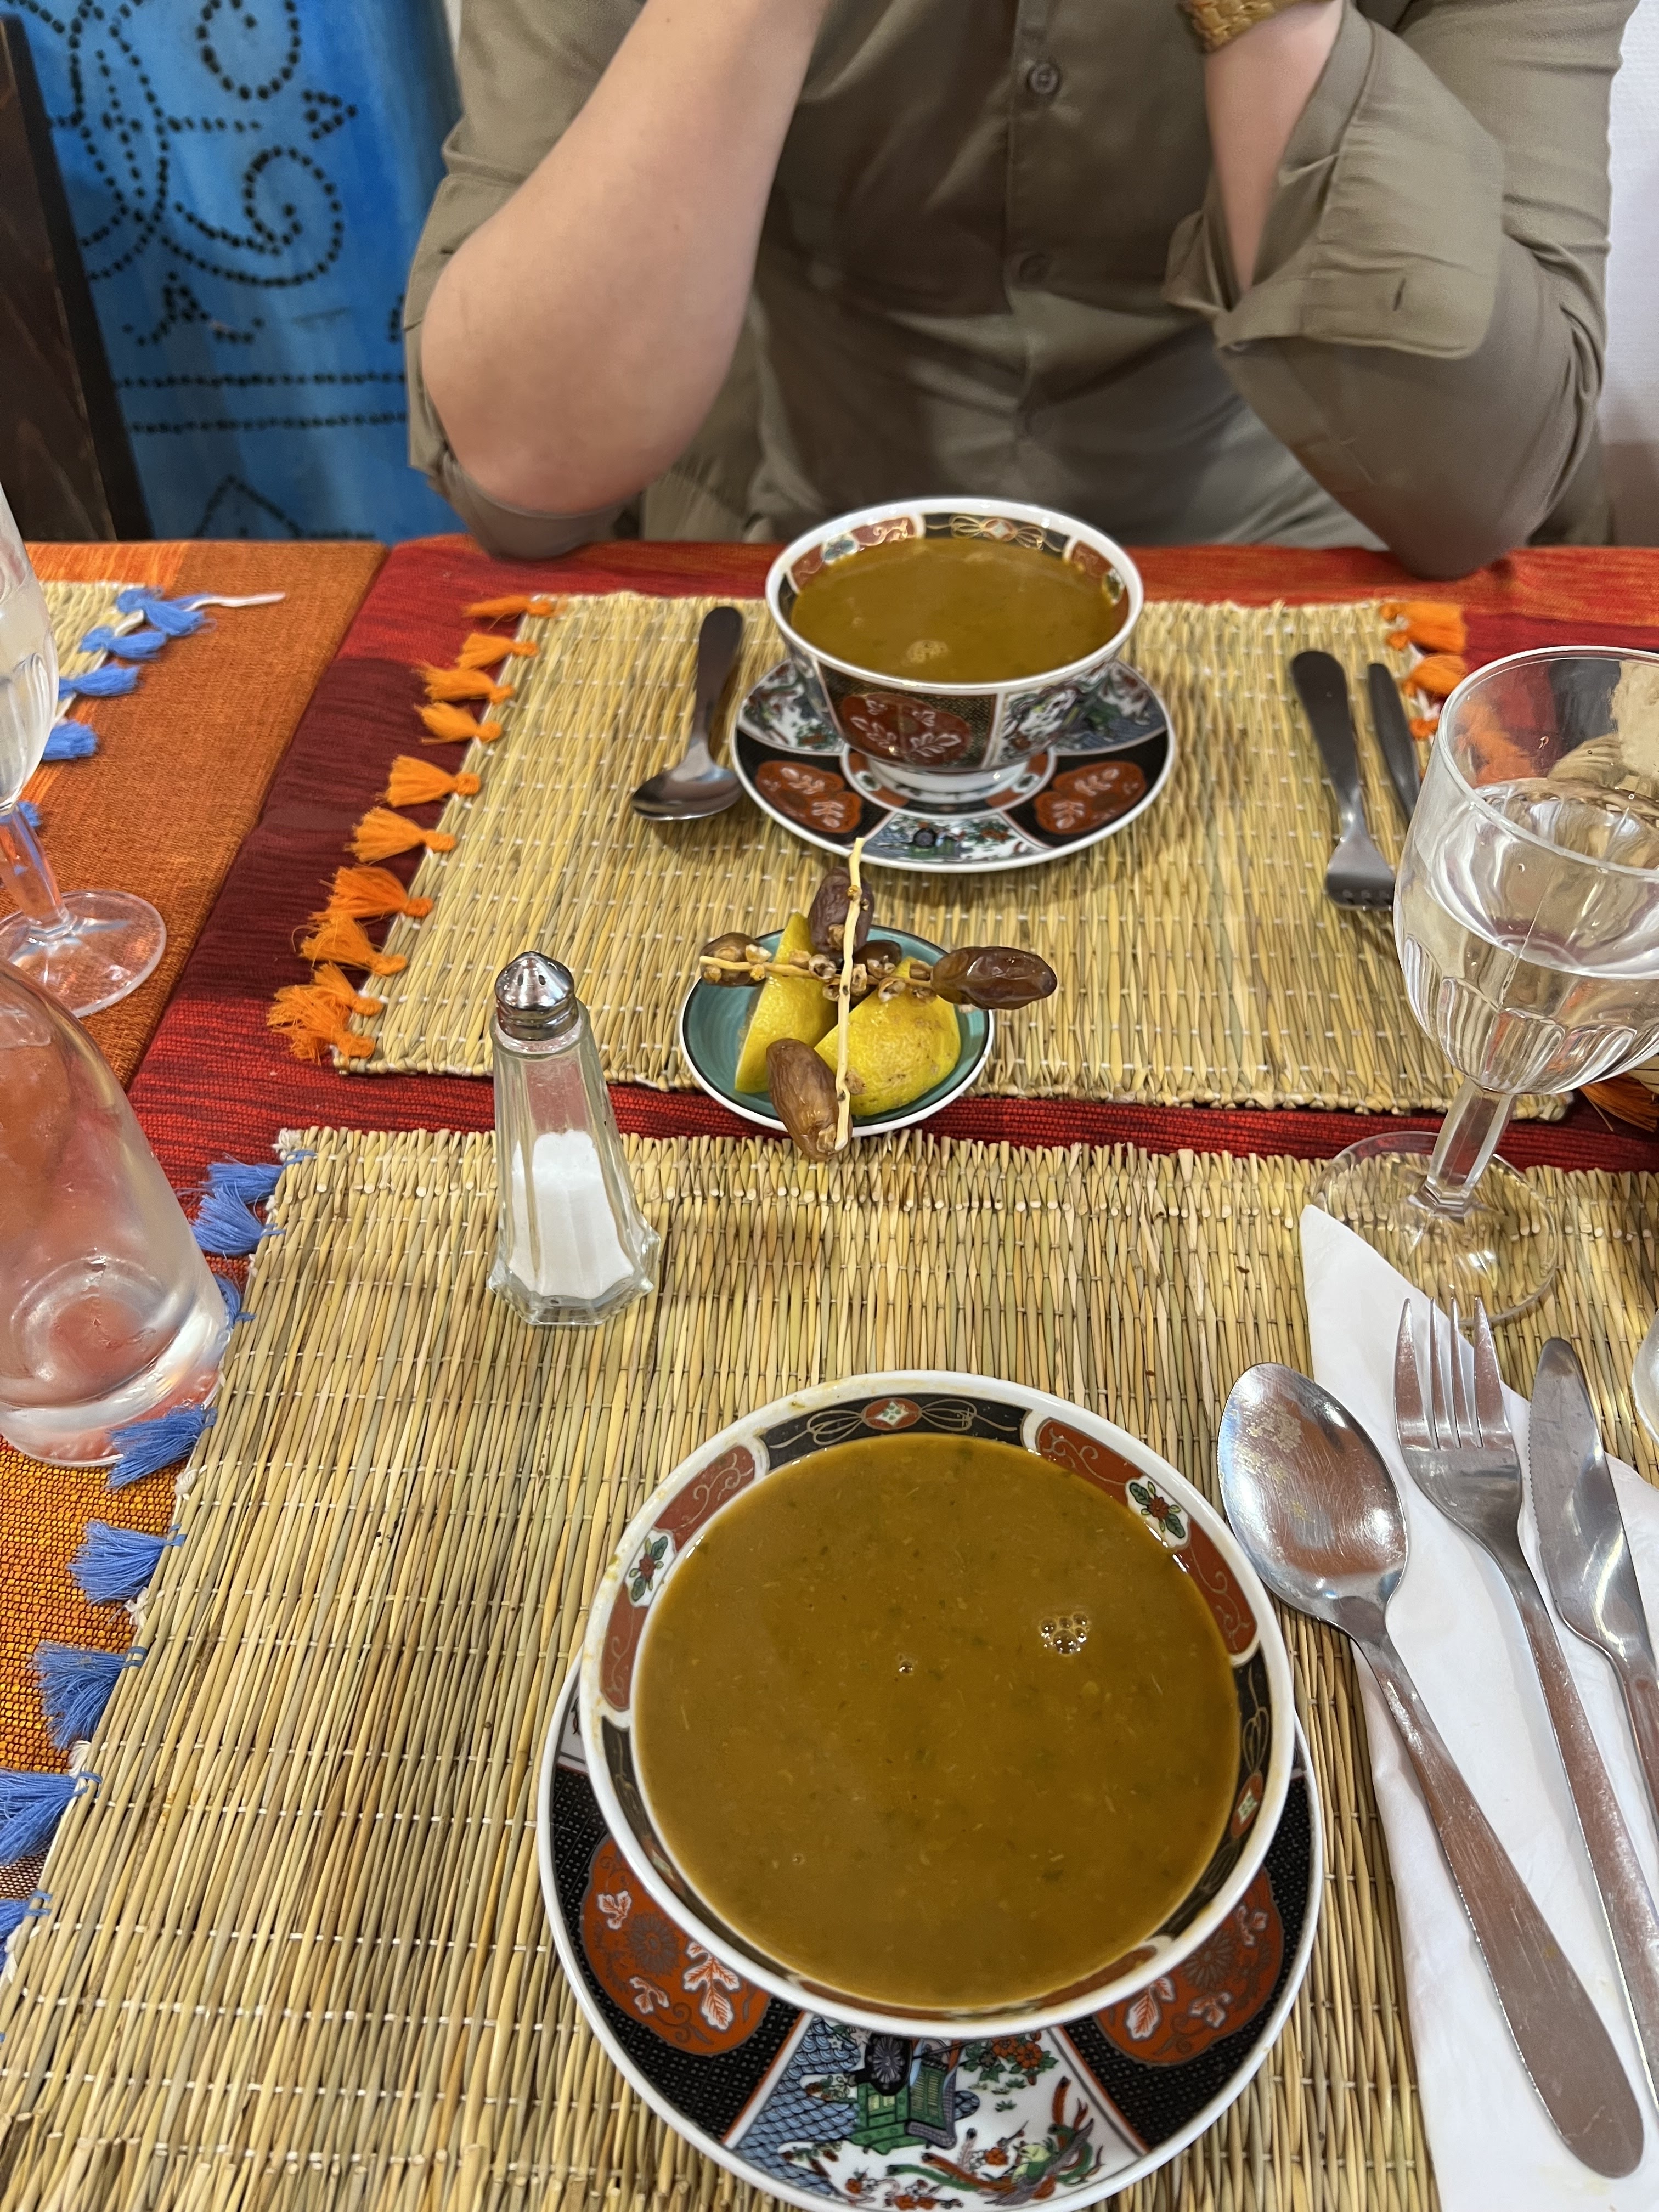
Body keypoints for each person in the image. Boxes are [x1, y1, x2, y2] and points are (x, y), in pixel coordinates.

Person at [406, 0, 1635, 579]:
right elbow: (522, 467)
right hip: (791, 541)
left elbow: (1476, 488)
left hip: (1294, 573)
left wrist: (1265, 16)